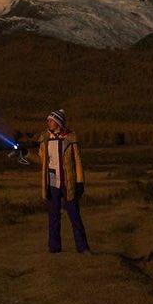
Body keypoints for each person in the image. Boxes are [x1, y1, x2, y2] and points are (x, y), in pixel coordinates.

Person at [39, 108, 89, 253]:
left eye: (50, 120)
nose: (48, 122)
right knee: (53, 217)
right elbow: (42, 162)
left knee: (74, 216)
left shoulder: (71, 138)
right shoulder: (44, 139)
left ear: (58, 122)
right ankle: (54, 249)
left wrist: (80, 182)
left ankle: (83, 248)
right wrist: (26, 154)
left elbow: (78, 161)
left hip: (68, 183)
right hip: (53, 183)